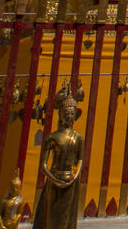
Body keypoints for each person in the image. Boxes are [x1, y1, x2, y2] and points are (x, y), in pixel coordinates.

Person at [32, 92, 83, 229]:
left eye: (72, 113)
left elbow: (80, 160)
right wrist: (54, 179)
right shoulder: (52, 137)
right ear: (60, 114)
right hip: (55, 178)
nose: (69, 116)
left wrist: (74, 177)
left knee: (66, 216)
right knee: (51, 214)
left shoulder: (77, 138)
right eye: (66, 112)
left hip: (70, 180)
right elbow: (43, 165)